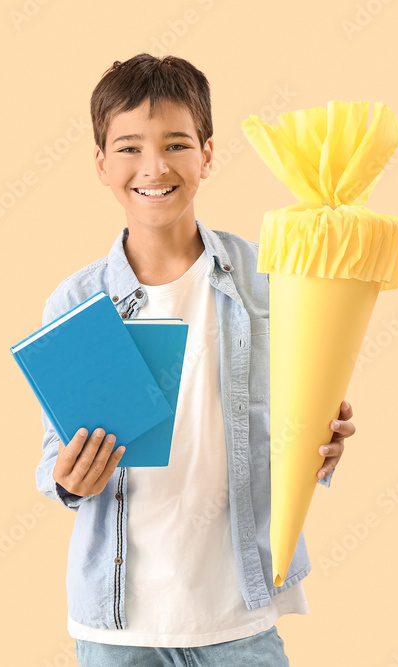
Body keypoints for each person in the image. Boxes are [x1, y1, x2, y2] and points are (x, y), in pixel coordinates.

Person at [33, 53, 357, 666]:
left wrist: (322, 442)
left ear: (207, 153)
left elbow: (302, 426)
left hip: (240, 614)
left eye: (176, 144)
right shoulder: (77, 303)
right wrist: (67, 480)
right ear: (100, 163)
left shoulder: (271, 280)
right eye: (128, 147)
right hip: (119, 626)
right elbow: (55, 455)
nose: (153, 167)